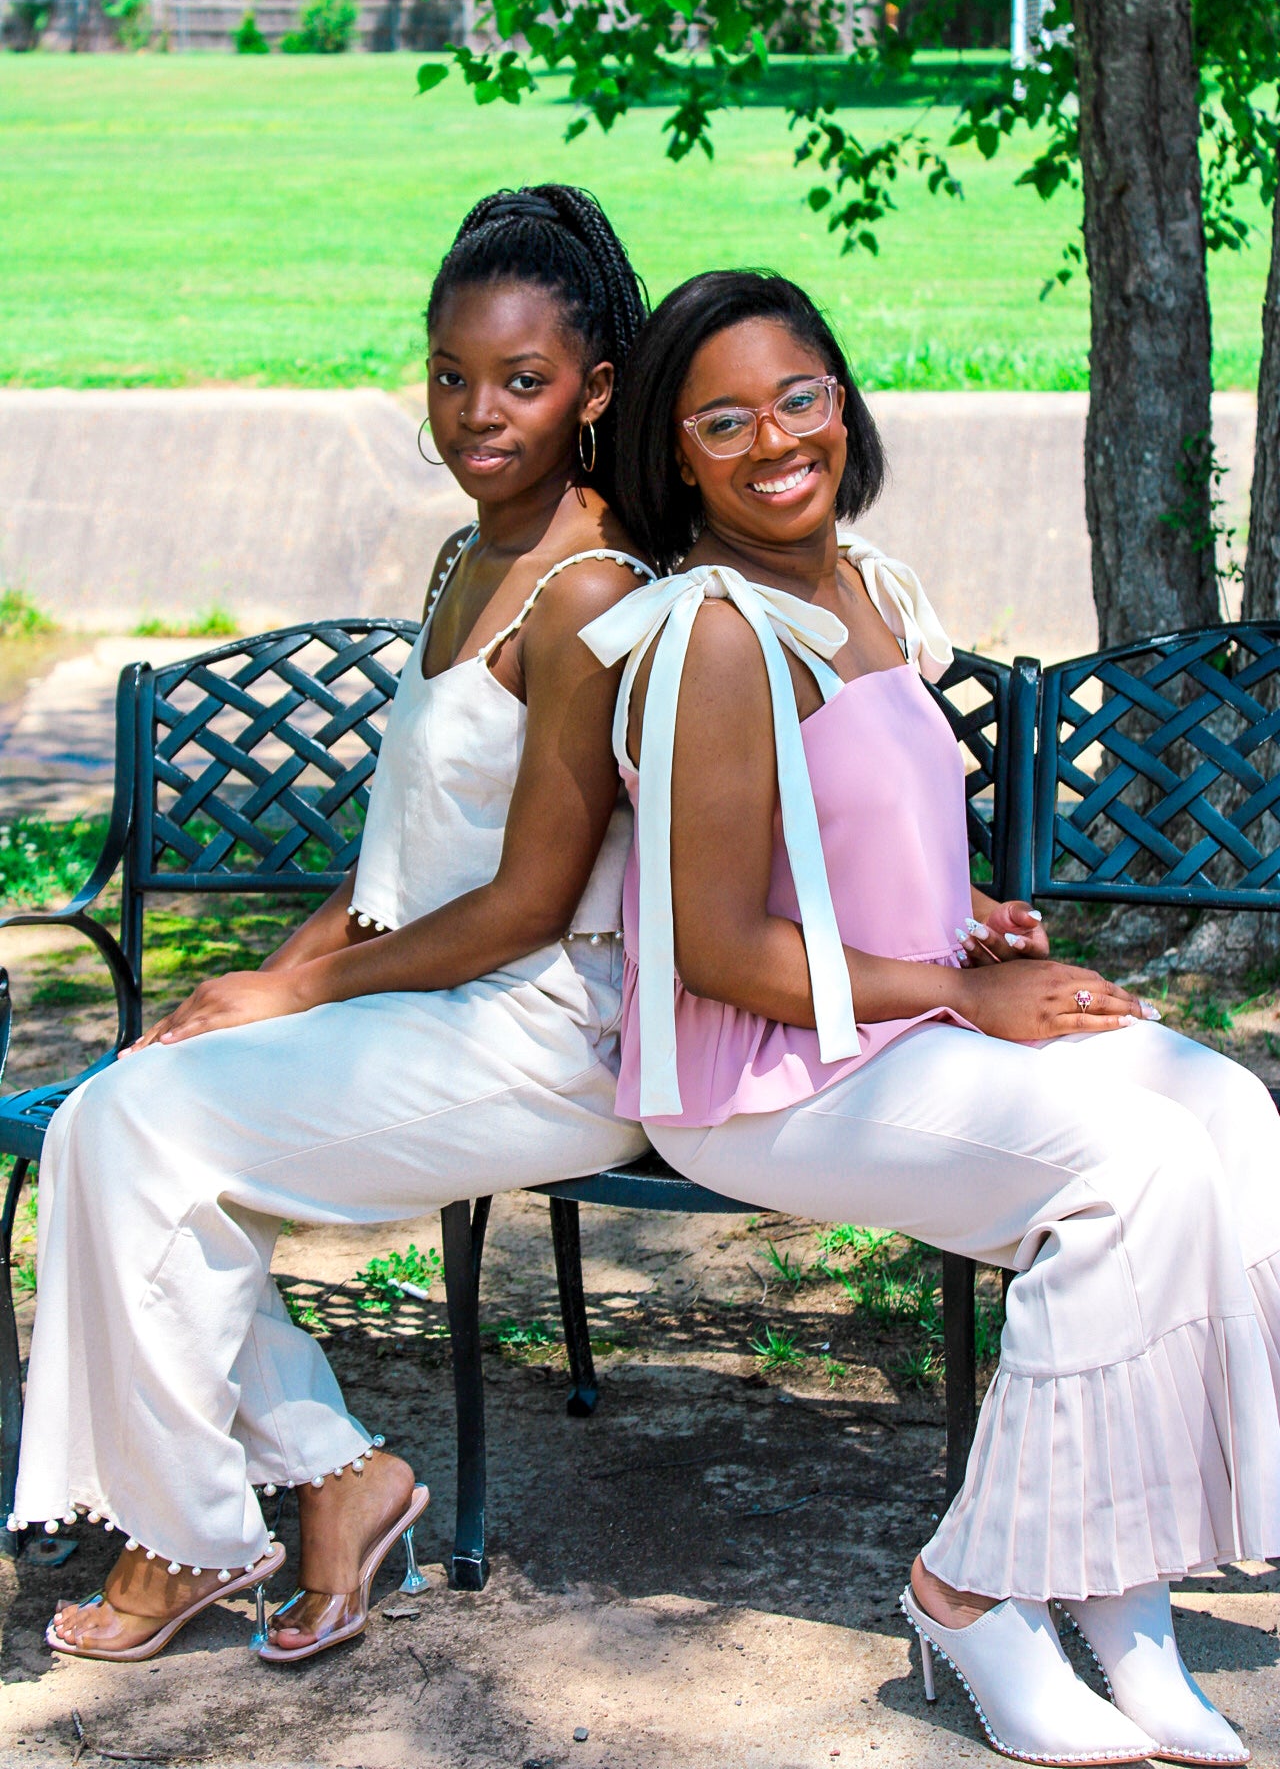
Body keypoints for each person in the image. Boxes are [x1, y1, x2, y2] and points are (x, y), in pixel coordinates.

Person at [581, 268, 1280, 1767]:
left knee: (1229, 1114)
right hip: (757, 1080)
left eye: (799, 394)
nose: (775, 437)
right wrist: (963, 991)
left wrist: (965, 928)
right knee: (1131, 1167)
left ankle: (1117, 1582)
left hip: (889, 1023)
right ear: (673, 453)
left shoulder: (861, 584)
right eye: (723, 420)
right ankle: (968, 1594)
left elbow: (851, 848)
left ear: (844, 397)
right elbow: (714, 949)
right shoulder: (713, 633)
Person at [17, 185, 654, 1666]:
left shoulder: (590, 591)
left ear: (595, 391)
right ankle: (331, 1478)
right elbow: (397, 865)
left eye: (521, 381)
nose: (475, 412)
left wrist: (299, 999)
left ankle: (196, 1537)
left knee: (131, 1132)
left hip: (547, 1033)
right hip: (429, 1007)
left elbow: (524, 906)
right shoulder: (460, 558)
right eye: (448, 374)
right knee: (122, 1118)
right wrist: (275, 973)